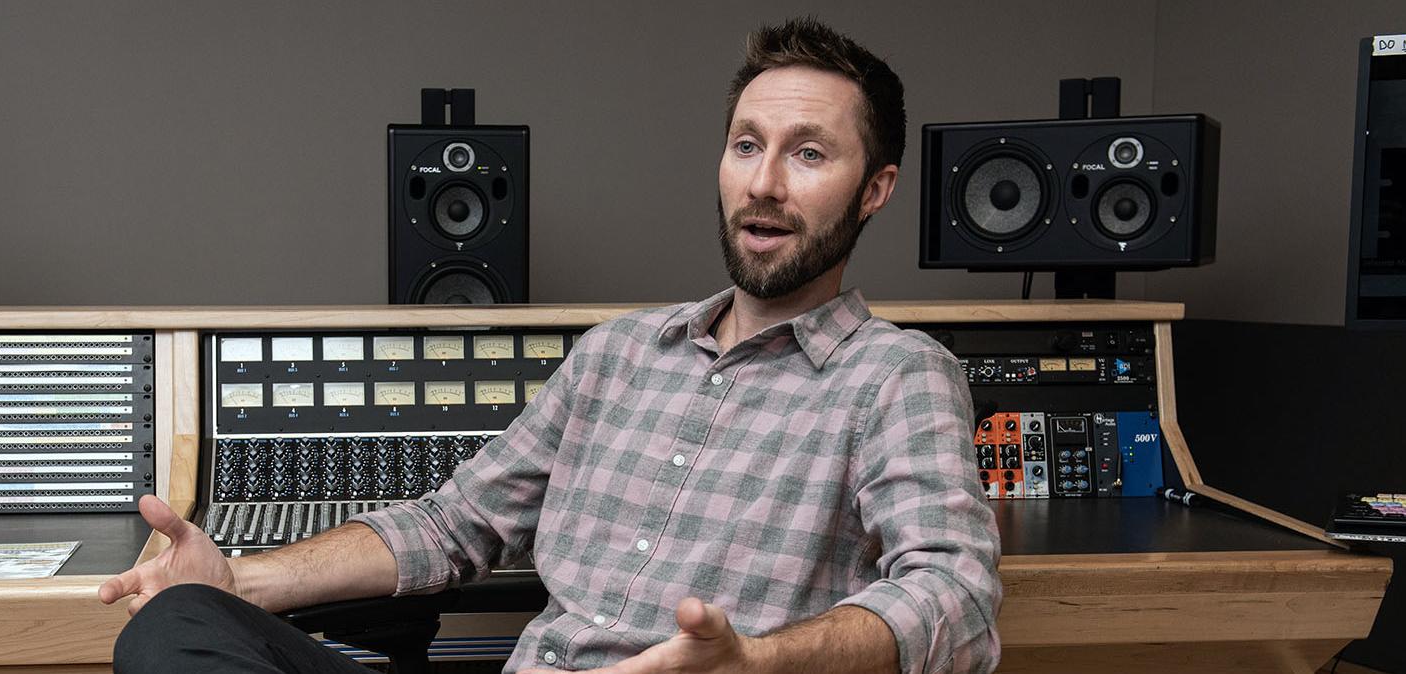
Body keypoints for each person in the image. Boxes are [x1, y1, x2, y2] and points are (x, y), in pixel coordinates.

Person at [102, 15, 1001, 674]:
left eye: (808, 154)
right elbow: (453, 526)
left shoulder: (897, 375)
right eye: (745, 145)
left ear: (874, 188)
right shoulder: (616, 355)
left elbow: (952, 600)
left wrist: (755, 662)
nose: (762, 183)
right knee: (175, 627)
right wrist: (238, 580)